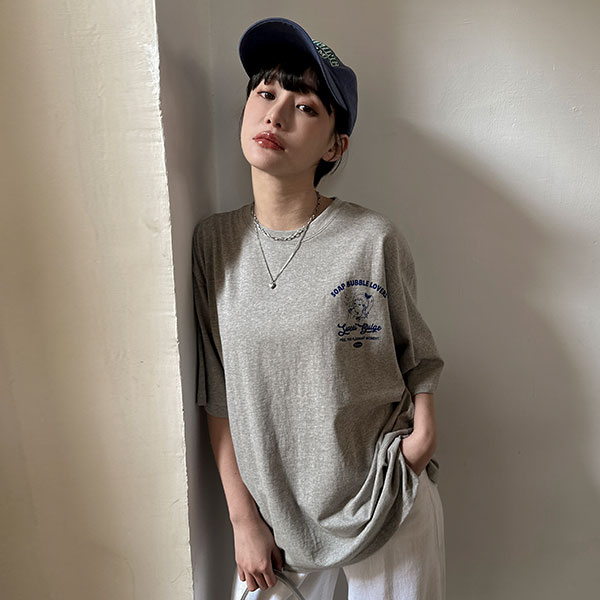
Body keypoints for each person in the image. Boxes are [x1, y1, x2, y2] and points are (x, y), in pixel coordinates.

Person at [192, 16, 446, 600]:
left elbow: (419, 357)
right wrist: (242, 521)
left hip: (385, 500)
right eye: (265, 93)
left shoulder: (371, 239)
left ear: (335, 145)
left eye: (305, 106)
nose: (276, 115)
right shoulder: (214, 243)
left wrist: (419, 445)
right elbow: (218, 390)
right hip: (277, 527)